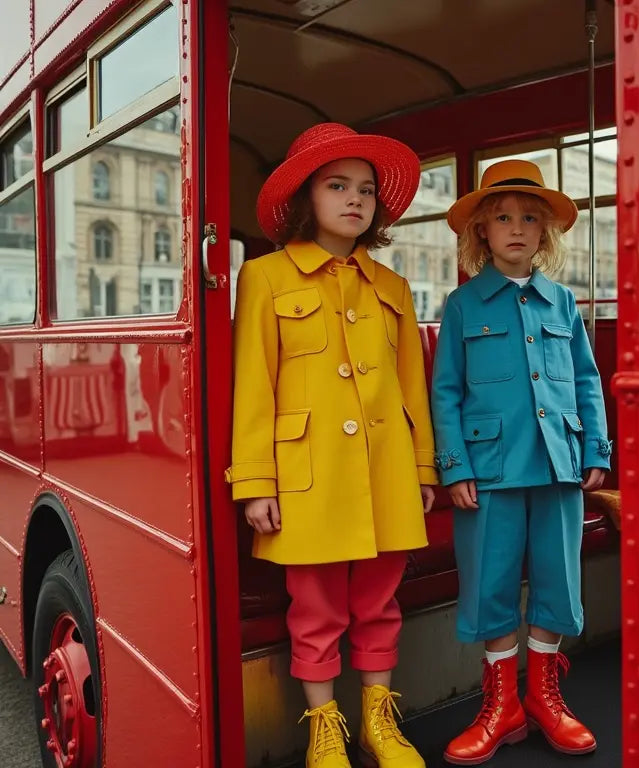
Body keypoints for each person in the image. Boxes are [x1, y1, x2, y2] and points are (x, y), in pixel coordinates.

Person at [226, 123, 436, 768]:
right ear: (303, 199)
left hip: (386, 473)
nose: (355, 199)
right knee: (313, 608)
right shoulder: (264, 277)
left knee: (379, 604)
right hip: (306, 474)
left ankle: (380, 724)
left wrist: (423, 466)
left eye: (366, 190)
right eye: (337, 185)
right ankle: (325, 730)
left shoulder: (392, 286)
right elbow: (253, 384)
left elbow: (411, 389)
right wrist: (256, 480)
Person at [430, 159, 613, 765]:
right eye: (503, 218)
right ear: (482, 230)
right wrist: (454, 466)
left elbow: (587, 380)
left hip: (559, 463)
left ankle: (545, 699)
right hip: (489, 472)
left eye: (529, 219)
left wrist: (595, 448)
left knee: (560, 584)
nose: (515, 228)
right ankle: (501, 705)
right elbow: (446, 391)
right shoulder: (463, 304)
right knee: (491, 586)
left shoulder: (562, 303)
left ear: (545, 234)